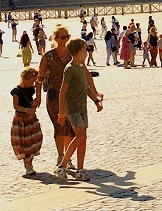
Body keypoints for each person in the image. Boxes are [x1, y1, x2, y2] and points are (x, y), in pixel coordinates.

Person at [56, 37, 103, 182]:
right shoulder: (70, 69)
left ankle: (80, 170)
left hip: (82, 108)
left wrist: (96, 101)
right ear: (79, 51)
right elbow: (62, 92)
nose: (87, 51)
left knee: (83, 138)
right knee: (80, 136)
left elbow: (86, 88)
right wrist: (61, 113)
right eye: (85, 48)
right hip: (73, 108)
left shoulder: (81, 67)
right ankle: (62, 166)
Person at [35, 27, 74, 166]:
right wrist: (38, 96)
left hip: (70, 96)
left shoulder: (72, 54)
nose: (66, 39)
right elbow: (39, 78)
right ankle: (60, 155)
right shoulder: (48, 56)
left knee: (70, 127)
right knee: (59, 126)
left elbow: (83, 73)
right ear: (56, 39)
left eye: (68, 36)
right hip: (54, 96)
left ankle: (68, 156)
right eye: (63, 37)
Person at [10, 68, 43, 177]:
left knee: (35, 139)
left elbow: (40, 81)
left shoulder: (31, 89)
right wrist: (26, 110)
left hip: (31, 119)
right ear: (25, 79)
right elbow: (16, 106)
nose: (32, 83)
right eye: (31, 81)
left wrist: (37, 98)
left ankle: (30, 162)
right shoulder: (16, 91)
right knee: (24, 142)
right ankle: (28, 165)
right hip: (21, 119)